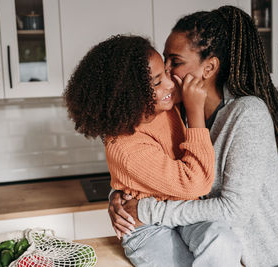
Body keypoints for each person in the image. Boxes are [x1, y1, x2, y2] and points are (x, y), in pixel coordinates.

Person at [109, 5, 278, 267]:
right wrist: (117, 197)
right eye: (165, 60)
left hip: (265, 259)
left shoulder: (247, 115)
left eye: (175, 62)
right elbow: (147, 167)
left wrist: (145, 210)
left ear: (209, 67)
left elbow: (233, 211)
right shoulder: (176, 112)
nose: (166, 71)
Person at [64, 34, 242, 266]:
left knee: (223, 241)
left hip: (182, 210)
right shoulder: (126, 147)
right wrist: (195, 112)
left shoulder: (163, 103)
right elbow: (195, 183)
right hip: (145, 224)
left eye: (167, 72)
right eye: (158, 82)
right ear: (129, 97)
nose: (170, 83)